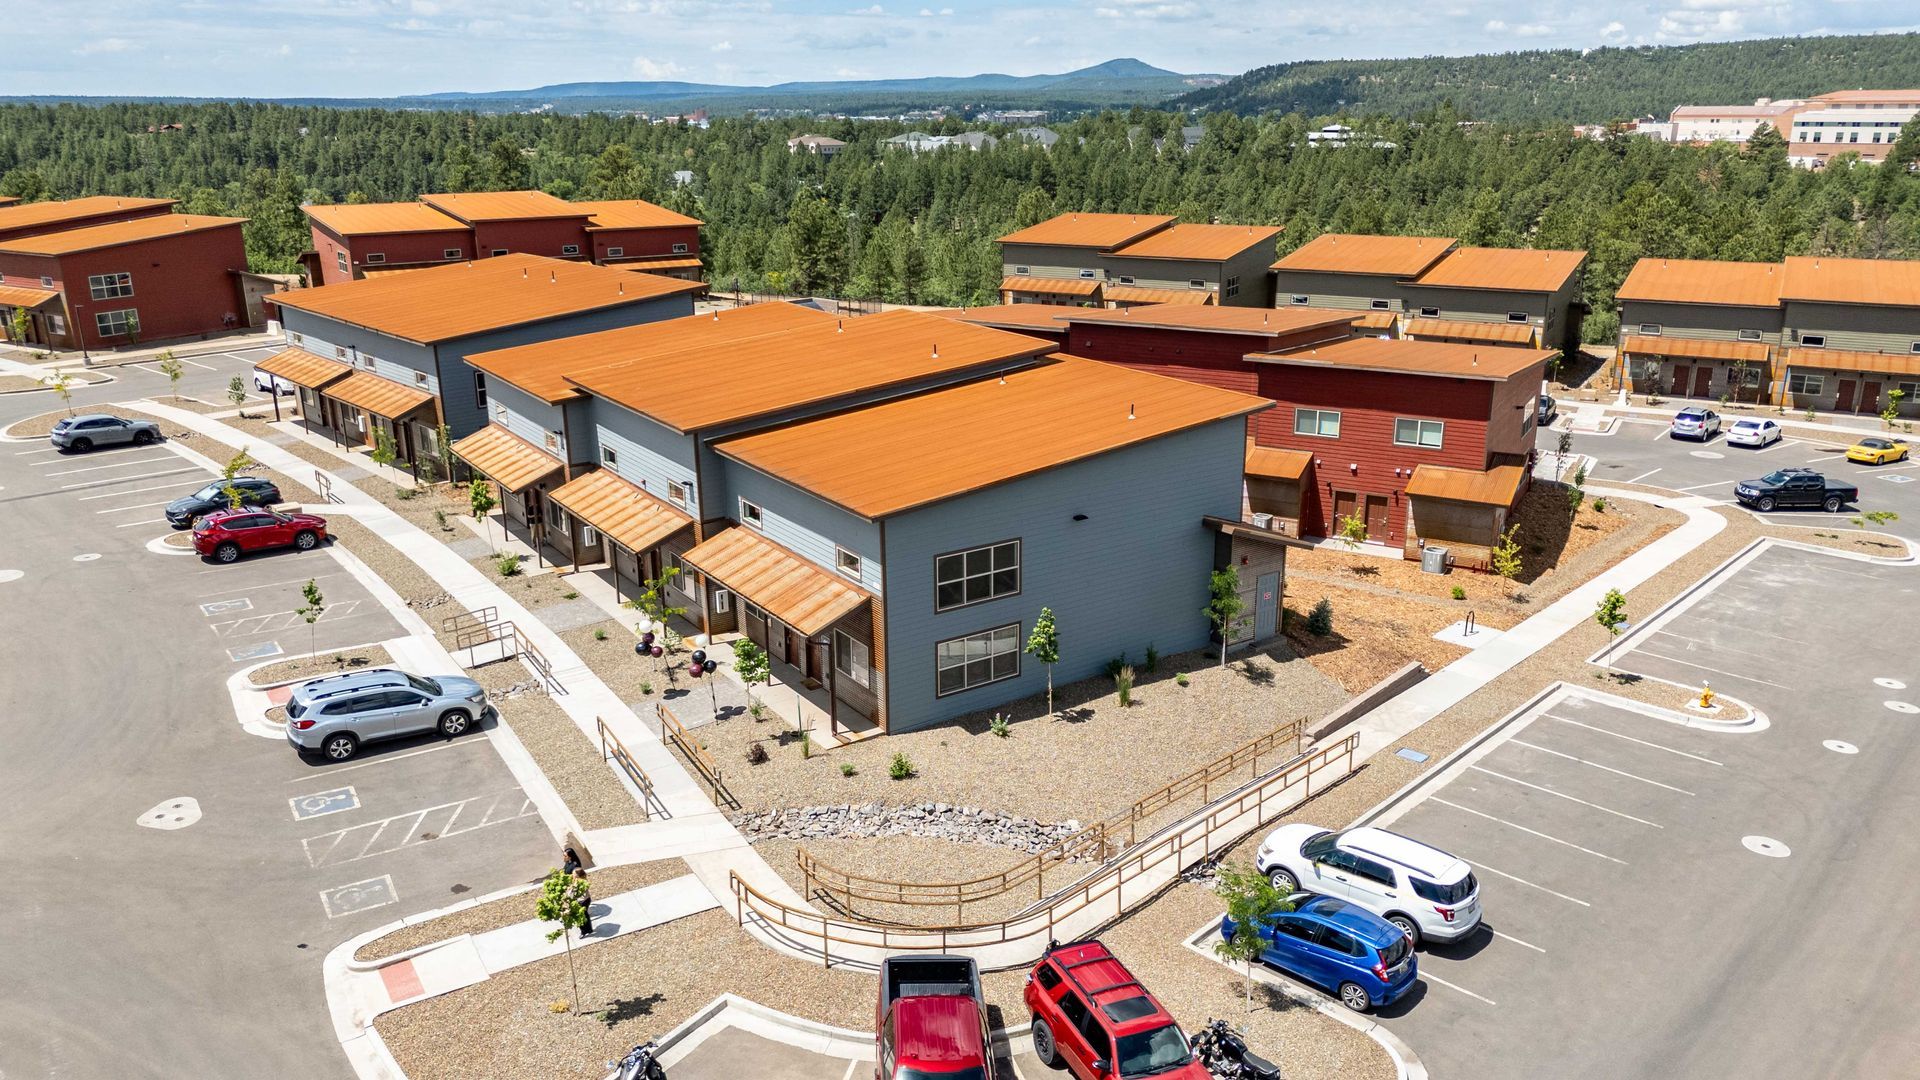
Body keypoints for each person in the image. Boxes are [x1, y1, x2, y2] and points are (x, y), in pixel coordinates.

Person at [574, 866, 595, 937]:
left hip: (582, 901)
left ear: (577, 874)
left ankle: (583, 931)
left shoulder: (579, 882)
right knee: (585, 915)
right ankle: (589, 929)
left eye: (574, 873)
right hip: (586, 899)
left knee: (580, 916)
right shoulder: (582, 880)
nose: (572, 874)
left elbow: (575, 892)